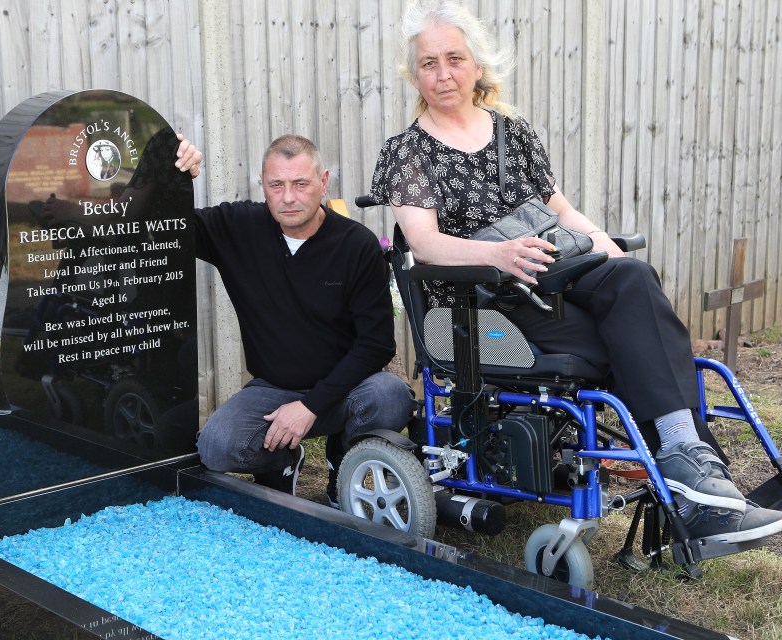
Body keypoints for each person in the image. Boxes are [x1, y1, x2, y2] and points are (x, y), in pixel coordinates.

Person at [368, 0, 782, 542]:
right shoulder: (407, 152)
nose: (443, 74)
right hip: (484, 303)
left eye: (454, 58)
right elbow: (425, 245)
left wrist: (605, 244)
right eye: (429, 63)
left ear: (477, 65)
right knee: (631, 343)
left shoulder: (512, 134)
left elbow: (560, 211)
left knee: (634, 280)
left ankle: (689, 466)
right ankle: (697, 483)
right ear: (413, 72)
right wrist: (497, 254)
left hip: (554, 277)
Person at [176, 134, 415, 500]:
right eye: (277, 185)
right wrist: (174, 174)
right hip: (274, 387)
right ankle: (280, 464)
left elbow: (377, 343)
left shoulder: (356, 244)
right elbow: (167, 228)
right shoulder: (238, 227)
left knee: (391, 395)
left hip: (346, 388)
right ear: (262, 185)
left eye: (301, 184)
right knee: (217, 446)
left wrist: (309, 407)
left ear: (323, 182)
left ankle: (344, 464)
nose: (288, 197)